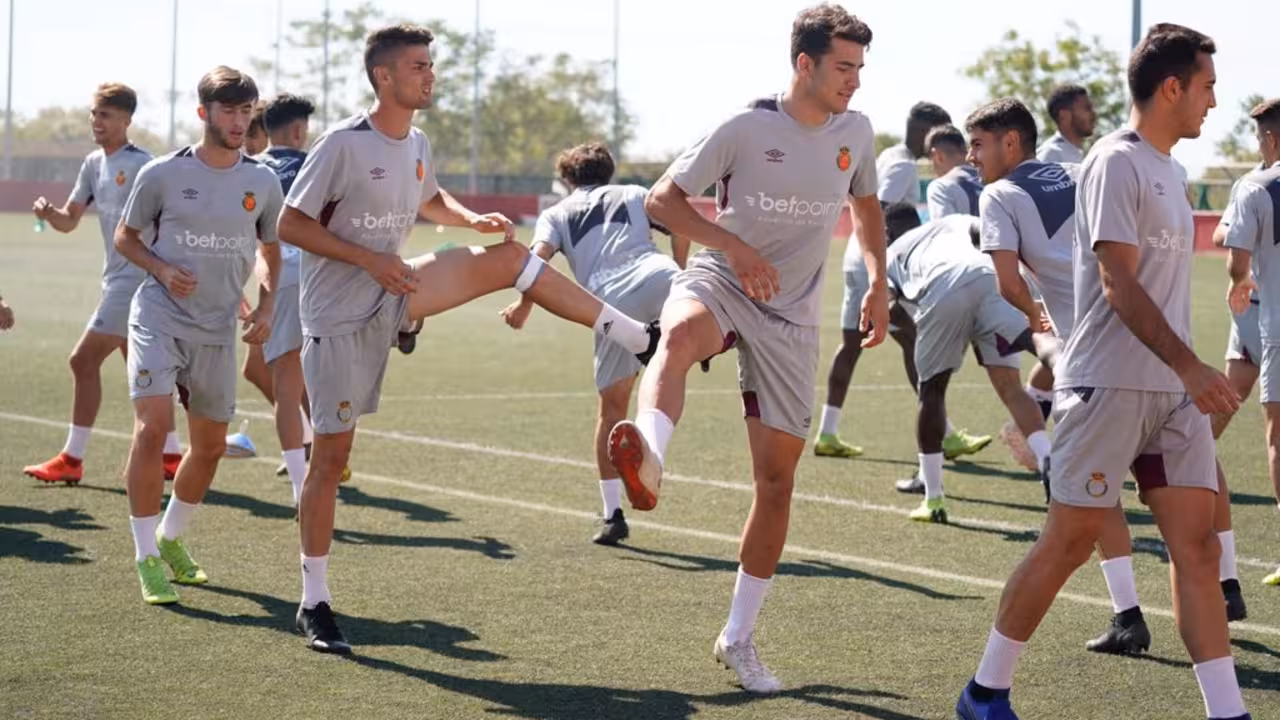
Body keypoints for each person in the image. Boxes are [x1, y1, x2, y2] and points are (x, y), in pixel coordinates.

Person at [279, 23, 660, 655]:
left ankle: (636, 335)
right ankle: (313, 600)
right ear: (383, 76)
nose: (430, 75)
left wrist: (469, 219)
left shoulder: (417, 141)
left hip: (397, 289)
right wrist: (368, 259)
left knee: (508, 257)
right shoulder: (342, 144)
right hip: (338, 318)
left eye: (431, 64)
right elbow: (290, 223)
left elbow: (430, 199)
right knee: (329, 460)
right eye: (418, 66)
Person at [957, 24, 1252, 720]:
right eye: (1207, 86)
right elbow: (1118, 282)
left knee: (1197, 549)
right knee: (1068, 542)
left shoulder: (1170, 170)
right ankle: (985, 692)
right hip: (1108, 384)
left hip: (1171, 394)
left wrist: (1182, 373)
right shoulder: (1115, 162)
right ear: (1172, 87)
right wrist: (1189, 365)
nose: (1214, 101)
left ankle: (1228, 711)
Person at [606, 4, 888, 694]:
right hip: (723, 280)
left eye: (860, 68)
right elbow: (663, 201)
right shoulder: (743, 126)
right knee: (677, 335)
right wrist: (732, 246)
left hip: (792, 318)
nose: (854, 80)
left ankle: (737, 637)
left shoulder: (856, 132)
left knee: (777, 483)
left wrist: (879, 282)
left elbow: (867, 207)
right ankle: (650, 459)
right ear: (805, 64)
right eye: (843, 67)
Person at [114, 66, 284, 606]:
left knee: (209, 448)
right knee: (152, 429)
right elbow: (125, 237)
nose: (238, 121)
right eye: (228, 110)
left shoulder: (263, 181)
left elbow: (271, 249)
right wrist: (162, 270)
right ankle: (146, 556)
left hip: (216, 328)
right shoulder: (162, 174)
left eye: (245, 111)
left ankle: (170, 538)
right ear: (203, 112)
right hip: (159, 316)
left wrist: (267, 304)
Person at [500, 142, 685, 546]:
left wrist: (523, 306)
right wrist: (682, 269)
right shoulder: (634, 193)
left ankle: (612, 514)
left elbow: (536, 261)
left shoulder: (556, 213)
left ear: (567, 179)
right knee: (682, 355)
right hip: (662, 278)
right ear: (609, 172)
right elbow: (682, 224)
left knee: (612, 411)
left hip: (611, 306)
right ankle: (699, 350)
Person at [25, 82, 183, 485]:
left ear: (126, 120)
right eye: (94, 113)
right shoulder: (93, 163)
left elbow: (172, 219)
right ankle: (171, 454)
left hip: (136, 279)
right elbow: (69, 220)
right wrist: (48, 213)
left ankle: (72, 458)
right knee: (144, 372)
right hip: (114, 278)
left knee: (82, 361)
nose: (96, 121)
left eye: (106, 115)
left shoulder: (146, 165)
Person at [818, 102, 990, 460]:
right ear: (923, 130)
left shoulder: (891, 156)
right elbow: (882, 214)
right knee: (915, 341)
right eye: (936, 131)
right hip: (876, 266)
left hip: (857, 260)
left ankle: (827, 432)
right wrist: (889, 271)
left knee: (852, 345)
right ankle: (944, 434)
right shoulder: (902, 165)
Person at [879, 205, 1051, 523]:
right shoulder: (951, 222)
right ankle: (1047, 457)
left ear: (887, 233)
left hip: (943, 290)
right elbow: (992, 234)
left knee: (931, 391)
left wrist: (928, 332)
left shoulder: (889, 254)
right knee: (1021, 377)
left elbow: (888, 307)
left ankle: (933, 498)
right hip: (990, 282)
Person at [252, 91, 341, 505]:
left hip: (283, 278)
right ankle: (328, 459)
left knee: (286, 388)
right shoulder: (315, 165)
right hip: (325, 278)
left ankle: (300, 486)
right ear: (299, 130)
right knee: (322, 378)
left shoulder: (250, 170)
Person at [1223, 97, 1280, 589]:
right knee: (1227, 394)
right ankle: (1181, 471)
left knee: (1278, 438)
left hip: (1272, 323)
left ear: (1271, 138)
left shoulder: (1255, 187)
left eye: (1260, 136)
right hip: (1259, 325)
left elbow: (1235, 259)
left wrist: (1238, 280)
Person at [924, 124, 982, 219]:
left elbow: (944, 228)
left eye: (930, 160)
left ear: (938, 156)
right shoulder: (993, 180)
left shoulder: (941, 187)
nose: (932, 167)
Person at [1036, 83, 1096, 164]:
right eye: (1087, 108)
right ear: (1064, 115)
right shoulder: (1050, 155)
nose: (1093, 114)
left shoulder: (1078, 153)